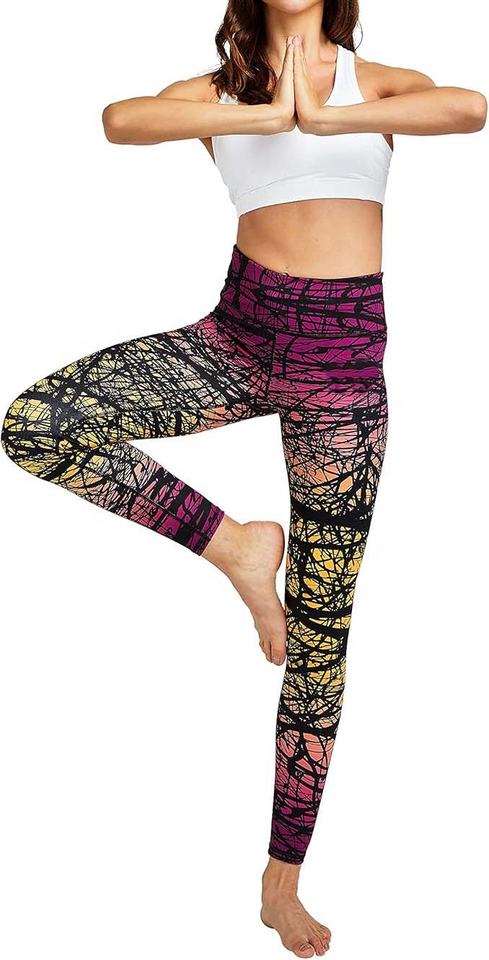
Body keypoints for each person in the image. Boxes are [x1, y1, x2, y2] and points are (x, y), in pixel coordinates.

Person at [1, 2, 486, 957]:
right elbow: (120, 120)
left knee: (320, 635)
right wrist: (265, 114)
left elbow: (468, 109)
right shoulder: (215, 95)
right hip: (237, 338)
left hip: (340, 371)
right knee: (38, 423)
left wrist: (328, 117)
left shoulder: (378, 82)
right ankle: (233, 545)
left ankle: (281, 879)